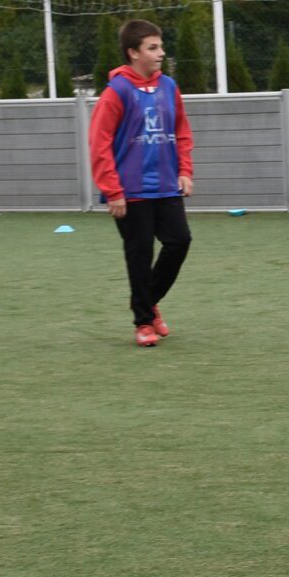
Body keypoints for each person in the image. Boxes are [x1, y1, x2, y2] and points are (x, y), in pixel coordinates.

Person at [88, 20, 193, 346]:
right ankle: (144, 322)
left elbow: (182, 131)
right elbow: (99, 144)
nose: (161, 53)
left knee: (179, 242)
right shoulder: (116, 92)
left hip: (166, 186)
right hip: (130, 191)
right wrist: (112, 190)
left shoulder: (169, 87)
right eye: (153, 47)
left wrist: (185, 170)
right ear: (133, 53)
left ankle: (147, 300)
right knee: (140, 254)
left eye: (161, 46)